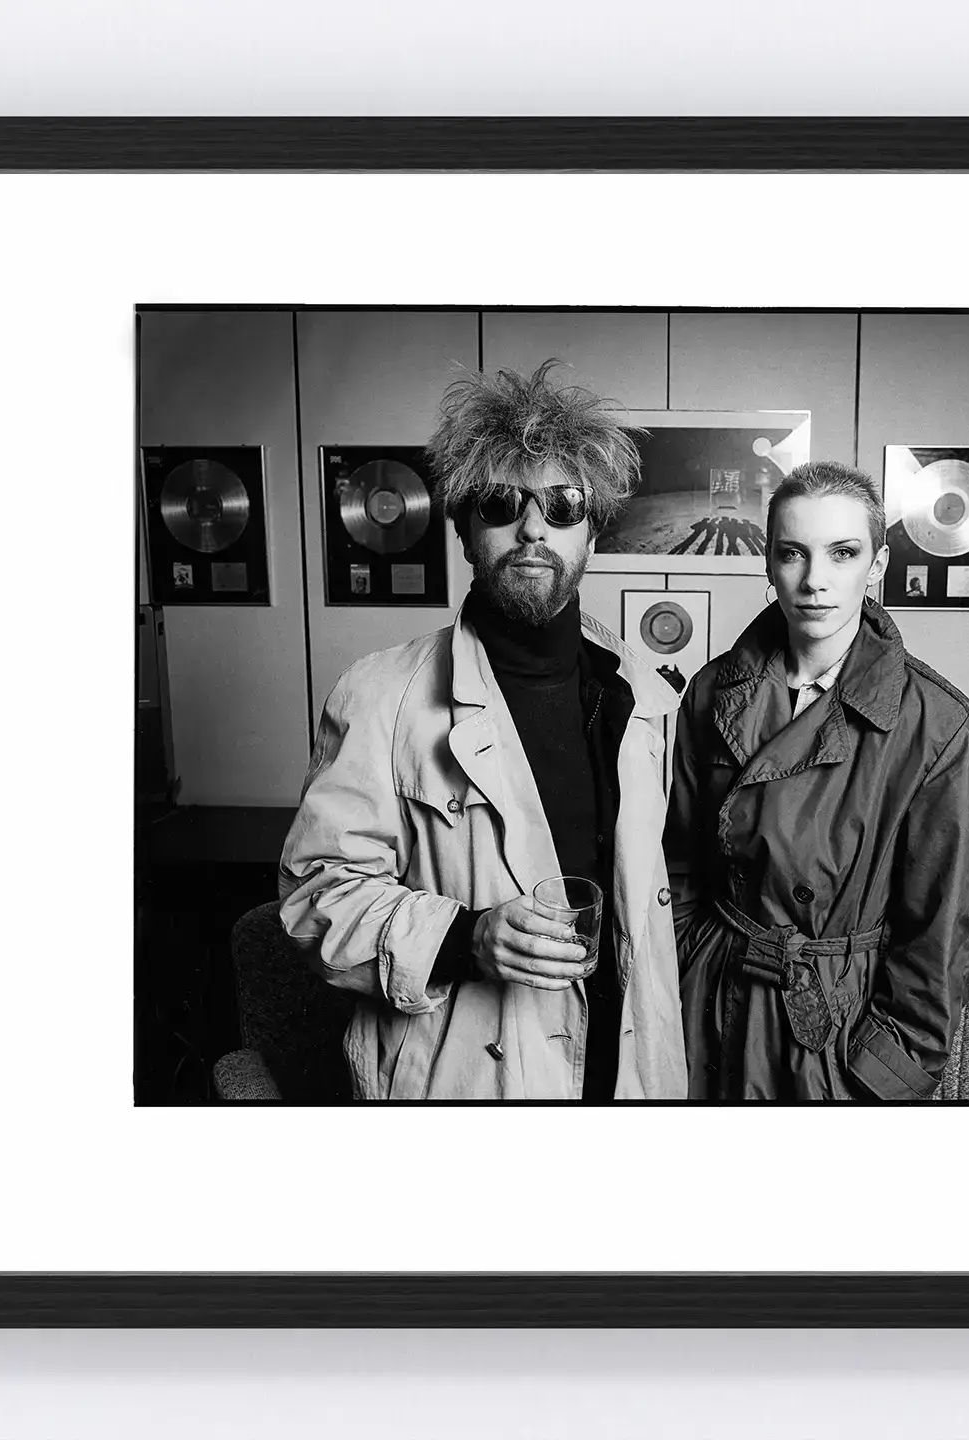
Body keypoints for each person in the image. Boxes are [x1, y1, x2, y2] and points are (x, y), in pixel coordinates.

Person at [277, 361, 687, 1100]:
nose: (533, 527)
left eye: (563, 504)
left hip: (626, 1076)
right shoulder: (380, 696)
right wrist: (465, 938)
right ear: (465, 531)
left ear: (592, 532)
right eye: (500, 503)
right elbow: (316, 900)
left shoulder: (643, 699)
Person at [665, 460, 969, 1100]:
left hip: (836, 1025)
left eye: (843, 553)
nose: (814, 580)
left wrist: (885, 1071)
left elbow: (943, 930)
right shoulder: (709, 691)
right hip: (709, 1000)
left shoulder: (936, 724)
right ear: (769, 563)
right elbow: (678, 863)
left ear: (877, 565)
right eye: (793, 553)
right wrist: (680, 972)